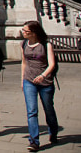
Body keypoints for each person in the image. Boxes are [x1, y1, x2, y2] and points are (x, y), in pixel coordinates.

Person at [21, 20, 59, 151]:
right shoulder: (24, 43)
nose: (23, 32)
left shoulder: (46, 45)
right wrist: (22, 80)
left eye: (26, 31)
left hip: (45, 82)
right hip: (29, 81)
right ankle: (34, 141)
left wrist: (43, 75)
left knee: (48, 109)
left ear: (33, 32)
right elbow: (24, 63)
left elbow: (52, 64)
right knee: (32, 111)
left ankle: (53, 131)